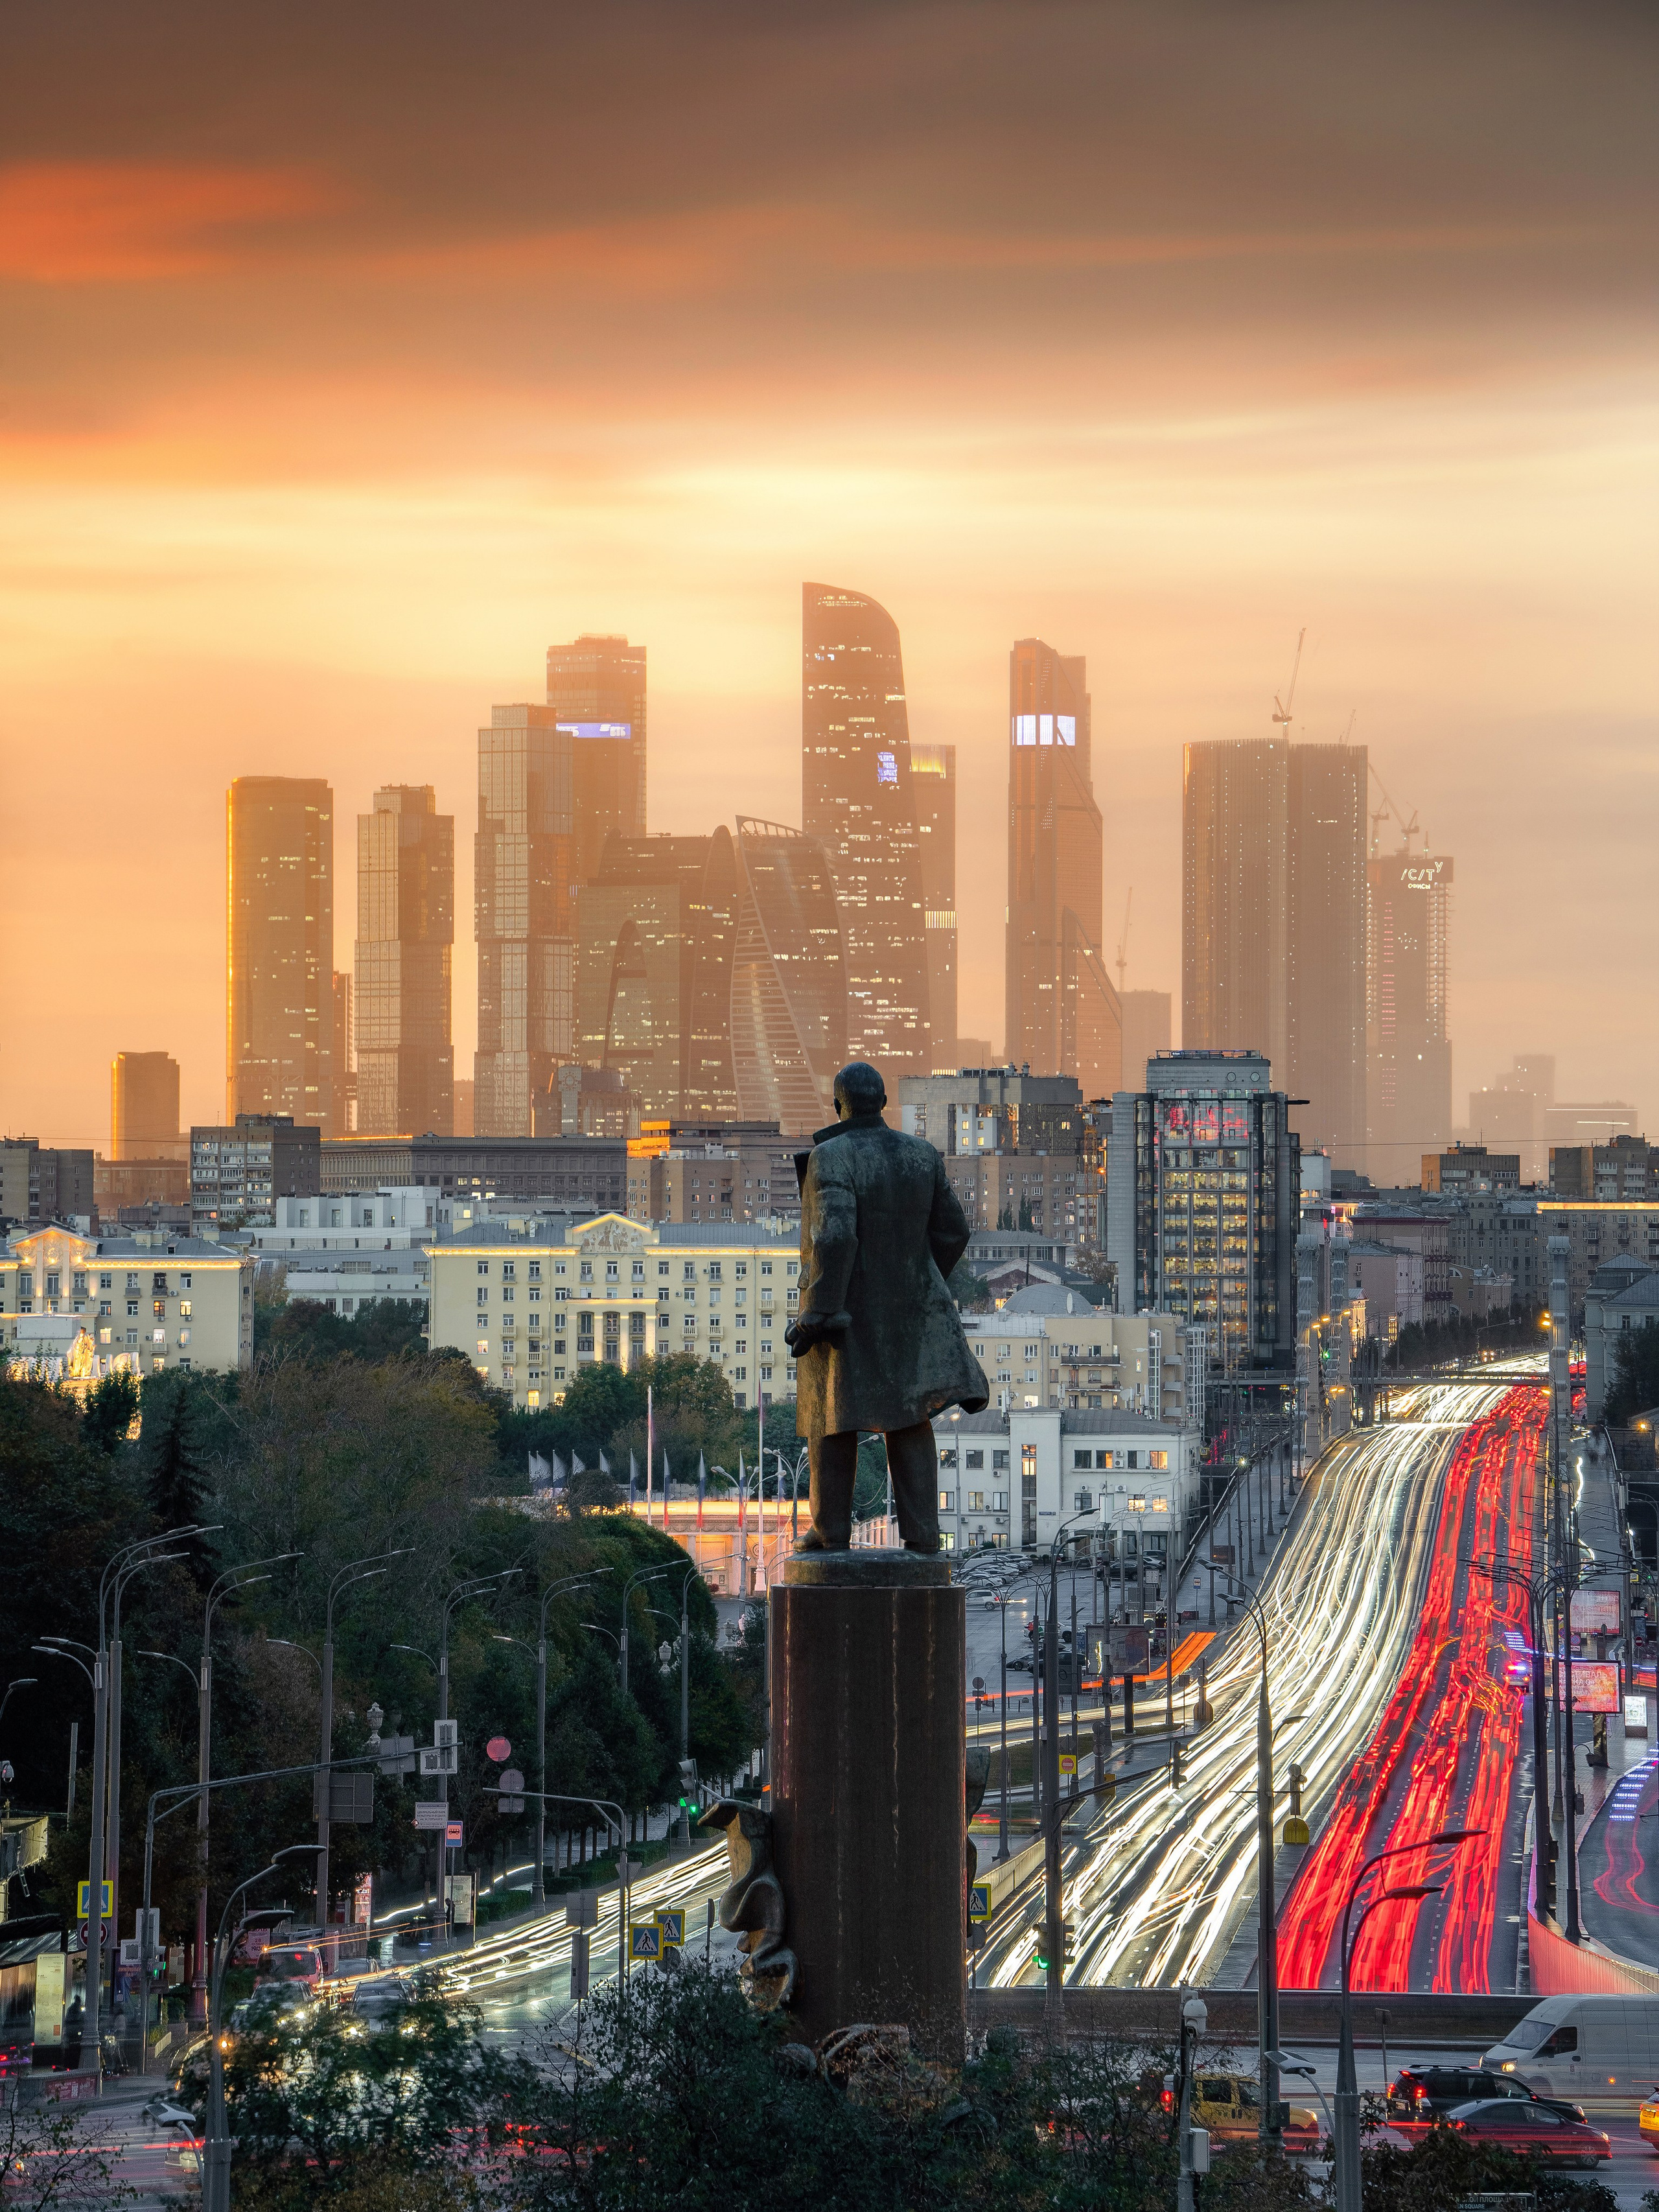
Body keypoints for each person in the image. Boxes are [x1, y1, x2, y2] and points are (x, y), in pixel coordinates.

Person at [787, 1061, 988, 1552]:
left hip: (844, 1316)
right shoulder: (921, 1154)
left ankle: (830, 1530)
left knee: (831, 1417)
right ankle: (923, 1536)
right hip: (911, 1315)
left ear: (840, 1105)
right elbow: (955, 1231)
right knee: (909, 1416)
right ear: (882, 1104)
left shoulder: (830, 1156)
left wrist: (818, 1310)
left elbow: (835, 1235)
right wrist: (917, 1280)